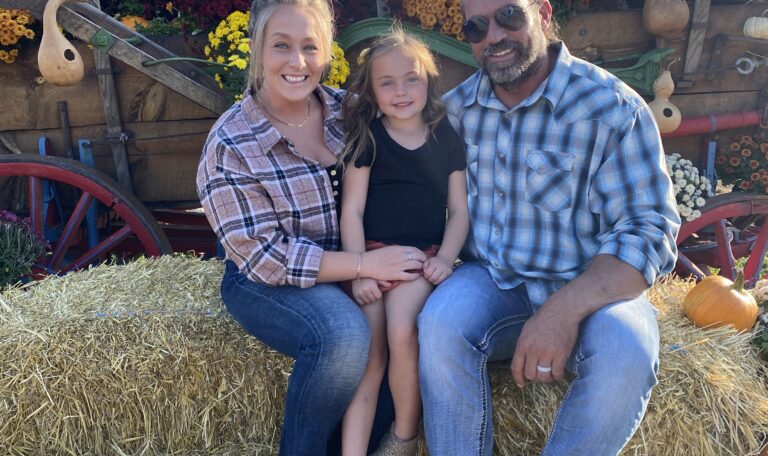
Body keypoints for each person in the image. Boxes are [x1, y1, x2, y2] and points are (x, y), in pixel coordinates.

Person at [417, 0, 681, 454]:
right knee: (439, 324)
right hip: (493, 279)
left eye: (509, 17)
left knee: (628, 354)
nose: (493, 37)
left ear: (541, 13)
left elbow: (648, 230)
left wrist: (561, 311)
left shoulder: (612, 107)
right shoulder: (456, 113)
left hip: (593, 285)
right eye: (476, 28)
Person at [196, 1, 429, 454]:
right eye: (281, 46)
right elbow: (265, 258)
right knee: (343, 336)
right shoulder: (230, 143)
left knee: (408, 329)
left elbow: (419, 147)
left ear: (327, 52)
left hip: (360, 254)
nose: (297, 62)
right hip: (270, 280)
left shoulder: (353, 112)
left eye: (310, 46)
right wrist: (362, 265)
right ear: (257, 50)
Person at [339, 29, 469, 456]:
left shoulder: (445, 136)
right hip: (372, 257)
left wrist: (446, 259)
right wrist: (359, 270)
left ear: (429, 81)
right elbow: (352, 212)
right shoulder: (368, 138)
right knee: (369, 356)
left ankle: (403, 435)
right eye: (386, 83)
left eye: (411, 78)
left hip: (419, 260)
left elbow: (459, 210)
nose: (400, 92)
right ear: (372, 92)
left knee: (402, 331)